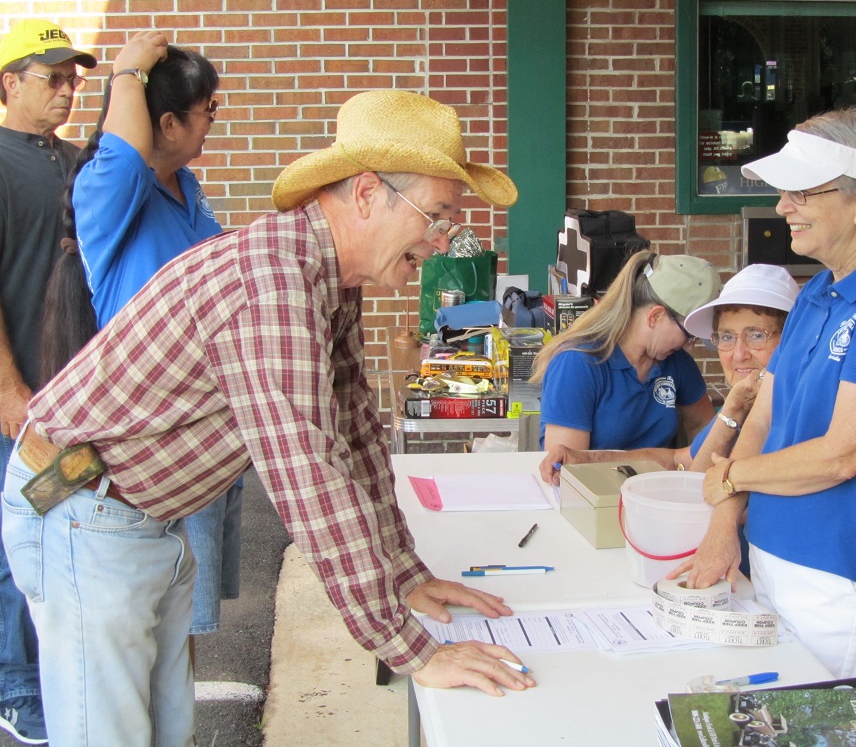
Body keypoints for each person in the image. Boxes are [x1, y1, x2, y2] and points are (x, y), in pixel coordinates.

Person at [2, 89, 535, 747]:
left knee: (167, 730)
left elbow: (357, 435)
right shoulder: (275, 284)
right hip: (81, 508)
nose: (444, 238)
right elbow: (309, 477)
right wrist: (412, 650)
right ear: (367, 194)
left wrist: (404, 573)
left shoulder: (326, 276)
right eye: (437, 214)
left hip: (133, 513)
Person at [682, 109, 856, 687]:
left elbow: (844, 453)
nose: (781, 207)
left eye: (801, 192)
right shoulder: (817, 292)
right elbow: (762, 417)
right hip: (768, 553)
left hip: (838, 575)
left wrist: (728, 479)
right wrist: (726, 523)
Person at [37, 30, 244, 645]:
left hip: (201, 425)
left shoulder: (188, 188)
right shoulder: (113, 189)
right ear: (170, 121)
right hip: (150, 433)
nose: (214, 120)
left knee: (183, 622)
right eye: (207, 110)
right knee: (153, 626)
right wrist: (126, 70)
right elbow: (125, 152)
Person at [0, 18, 95, 745]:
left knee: (65, 535)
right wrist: (7, 387)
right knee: (19, 549)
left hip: (75, 398)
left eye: (73, 78)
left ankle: (57, 676)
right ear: (8, 84)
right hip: (20, 399)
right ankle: (17, 688)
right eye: (51, 77)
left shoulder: (74, 163)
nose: (66, 90)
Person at [540, 263, 798, 481]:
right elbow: (684, 459)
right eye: (726, 336)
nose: (739, 354)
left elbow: (695, 453)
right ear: (655, 317)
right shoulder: (579, 363)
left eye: (756, 336)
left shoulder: (799, 407)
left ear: (794, 338)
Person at [531, 251, 720, 452]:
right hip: (594, 482)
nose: (690, 345)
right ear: (655, 316)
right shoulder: (577, 364)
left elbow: (703, 427)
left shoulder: (676, 362)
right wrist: (668, 461)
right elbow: (568, 467)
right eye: (689, 334)